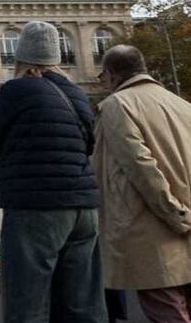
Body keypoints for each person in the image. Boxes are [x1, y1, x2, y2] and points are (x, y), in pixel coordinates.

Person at [0, 21, 106, 322]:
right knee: (82, 303)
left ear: (22, 57)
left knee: (28, 301)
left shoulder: (17, 89)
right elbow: (89, 144)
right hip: (83, 209)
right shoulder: (75, 94)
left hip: (37, 207)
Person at [94, 45, 191, 322]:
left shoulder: (118, 105)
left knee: (168, 314)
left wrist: (176, 213)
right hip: (183, 231)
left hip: (153, 232)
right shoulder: (181, 104)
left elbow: (141, 167)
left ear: (111, 74)